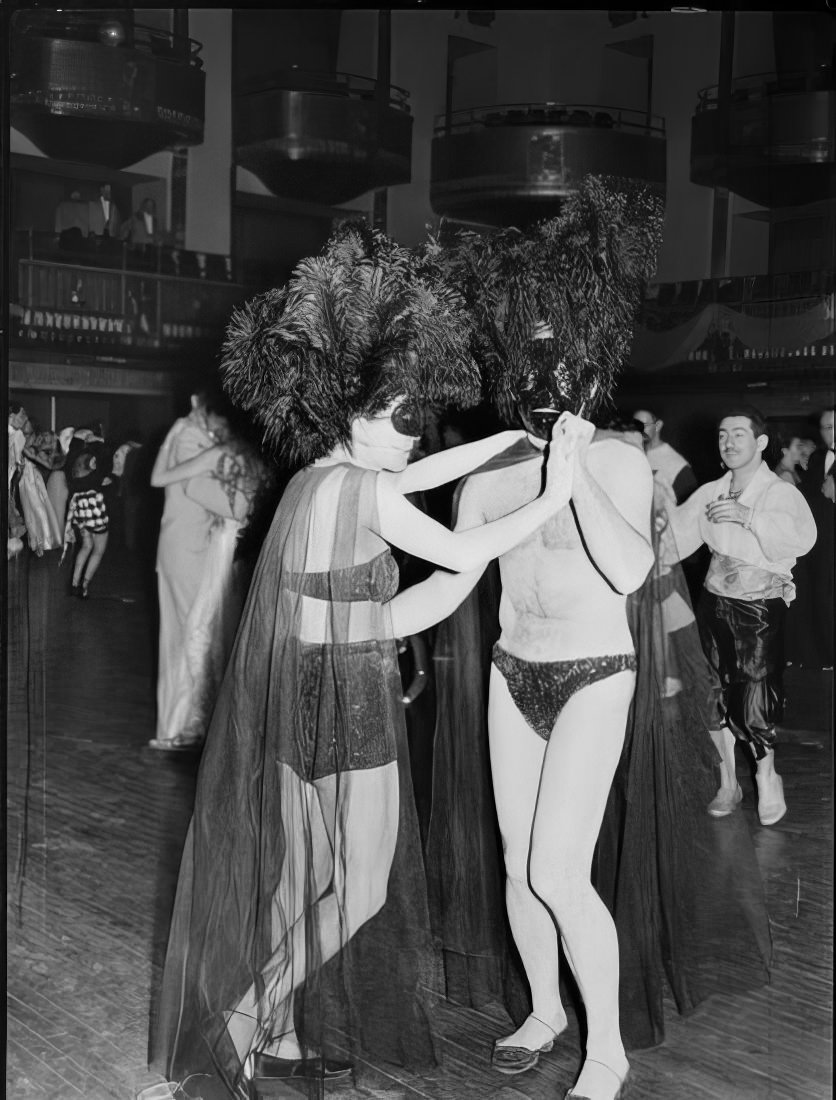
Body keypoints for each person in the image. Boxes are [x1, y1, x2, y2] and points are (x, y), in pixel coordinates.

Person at [150, 224, 580, 1100]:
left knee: (300, 880)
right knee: (363, 890)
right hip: (347, 701)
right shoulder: (371, 488)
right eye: (399, 419)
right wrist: (558, 489)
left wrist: (508, 448)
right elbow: (467, 550)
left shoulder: (317, 478)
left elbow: (411, 481)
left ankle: (266, 1035)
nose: (412, 435)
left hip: (292, 695)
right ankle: (237, 1028)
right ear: (354, 415)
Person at [662, 405, 817, 825]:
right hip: (713, 604)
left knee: (753, 696)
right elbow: (674, 538)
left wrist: (750, 518)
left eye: (738, 434)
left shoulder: (779, 492)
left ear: (761, 442)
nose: (728, 442)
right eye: (722, 435)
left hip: (759, 610)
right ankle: (727, 781)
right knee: (711, 693)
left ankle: (767, 778)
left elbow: (803, 538)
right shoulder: (711, 491)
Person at [149, 389, 264, 751]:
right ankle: (211, 722)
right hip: (229, 548)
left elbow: (166, 479)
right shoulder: (245, 456)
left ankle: (197, 724)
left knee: (201, 631)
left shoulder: (218, 452)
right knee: (215, 631)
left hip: (219, 547)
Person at [797, 407, 834, 670]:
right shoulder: (819, 456)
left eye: (834, 426)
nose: (830, 432)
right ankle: (825, 655)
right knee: (820, 597)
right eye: (825, 427)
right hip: (820, 543)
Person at [62, 451, 110, 597]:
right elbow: (111, 479)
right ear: (91, 464)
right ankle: (84, 586)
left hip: (82, 521)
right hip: (98, 521)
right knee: (97, 552)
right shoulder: (97, 479)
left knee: (85, 547)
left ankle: (74, 583)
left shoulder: (75, 484)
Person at [633, 408, 698, 503]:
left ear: (658, 426)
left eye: (642, 425)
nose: (637, 431)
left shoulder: (679, 468)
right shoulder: (629, 456)